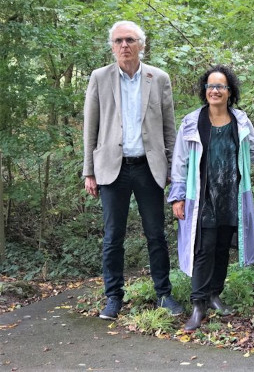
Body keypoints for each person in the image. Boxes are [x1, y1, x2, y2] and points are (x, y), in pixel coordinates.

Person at [167, 64, 254, 332]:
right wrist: (178, 196)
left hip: (231, 195)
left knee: (221, 247)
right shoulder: (192, 122)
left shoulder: (240, 121)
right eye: (211, 86)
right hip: (201, 197)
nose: (215, 90)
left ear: (230, 91)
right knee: (203, 248)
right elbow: (179, 162)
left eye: (221, 86)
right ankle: (198, 304)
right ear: (205, 91)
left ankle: (215, 294)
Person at [83, 20, 182, 320]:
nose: (124, 45)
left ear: (142, 44)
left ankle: (163, 294)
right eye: (118, 41)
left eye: (129, 40)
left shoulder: (159, 78)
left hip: (149, 168)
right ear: (112, 46)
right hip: (112, 169)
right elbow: (91, 126)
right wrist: (89, 171)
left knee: (156, 235)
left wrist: (174, 170)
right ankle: (113, 297)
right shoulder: (99, 78)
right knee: (113, 236)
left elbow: (169, 127)